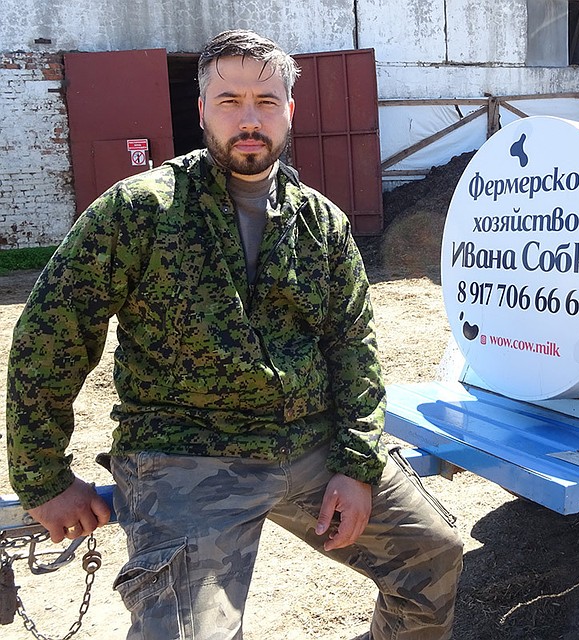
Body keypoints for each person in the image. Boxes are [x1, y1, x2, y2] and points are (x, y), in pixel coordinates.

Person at [5, 29, 462, 640]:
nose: (249, 119)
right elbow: (49, 340)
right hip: (186, 454)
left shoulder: (322, 224)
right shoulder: (141, 211)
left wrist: (356, 466)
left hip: (309, 448)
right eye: (230, 102)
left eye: (266, 102)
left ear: (289, 111)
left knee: (432, 559)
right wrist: (43, 478)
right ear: (201, 111)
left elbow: (353, 349)